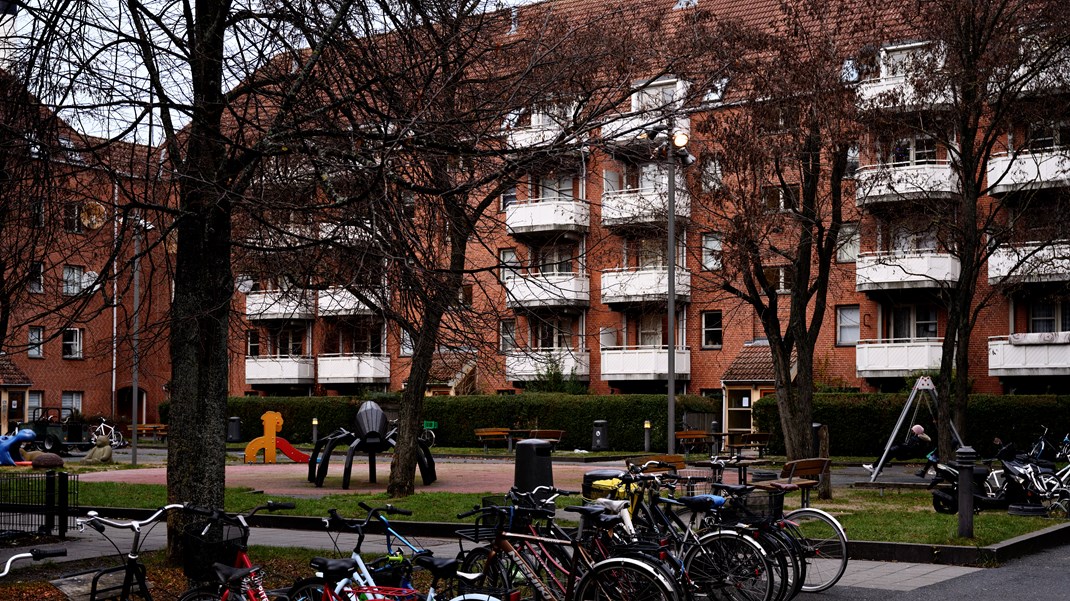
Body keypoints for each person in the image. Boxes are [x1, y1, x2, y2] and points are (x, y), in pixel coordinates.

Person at [863, 424, 931, 475]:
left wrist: (899, 446)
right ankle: (878, 469)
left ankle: (874, 467)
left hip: (905, 454)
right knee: (887, 453)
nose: (911, 431)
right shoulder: (917, 438)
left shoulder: (917, 439)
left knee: (888, 452)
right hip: (904, 453)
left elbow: (910, 448)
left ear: (916, 431)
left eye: (913, 430)